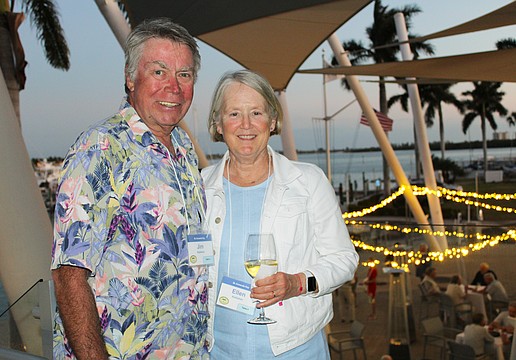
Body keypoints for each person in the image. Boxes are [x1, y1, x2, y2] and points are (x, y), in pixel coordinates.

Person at [51, 18, 209, 359]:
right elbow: (69, 275)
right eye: (159, 71)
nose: (174, 87)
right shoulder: (101, 148)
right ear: (129, 77)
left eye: (184, 75)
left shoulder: (182, 149)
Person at [201, 69, 359, 358]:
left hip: (296, 350)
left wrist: (297, 283)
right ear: (218, 123)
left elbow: (344, 259)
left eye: (257, 113)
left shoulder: (308, 181)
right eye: (234, 113)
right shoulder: (198, 187)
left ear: (272, 121)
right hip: (218, 350)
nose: (246, 125)